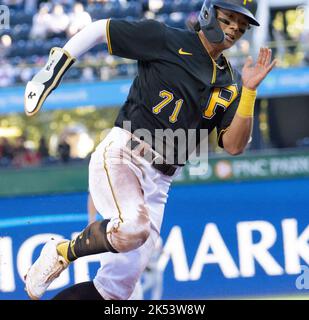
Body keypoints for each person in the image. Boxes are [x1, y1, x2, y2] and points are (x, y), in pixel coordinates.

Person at [24, 0, 276, 300]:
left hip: (160, 183)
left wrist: (248, 93)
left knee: (114, 292)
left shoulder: (232, 81)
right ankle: (61, 251)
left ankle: (66, 257)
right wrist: (55, 66)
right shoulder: (166, 38)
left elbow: (234, 146)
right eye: (229, 18)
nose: (235, 28)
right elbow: (99, 30)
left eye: (242, 24)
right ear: (209, 13)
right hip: (125, 154)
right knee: (134, 227)